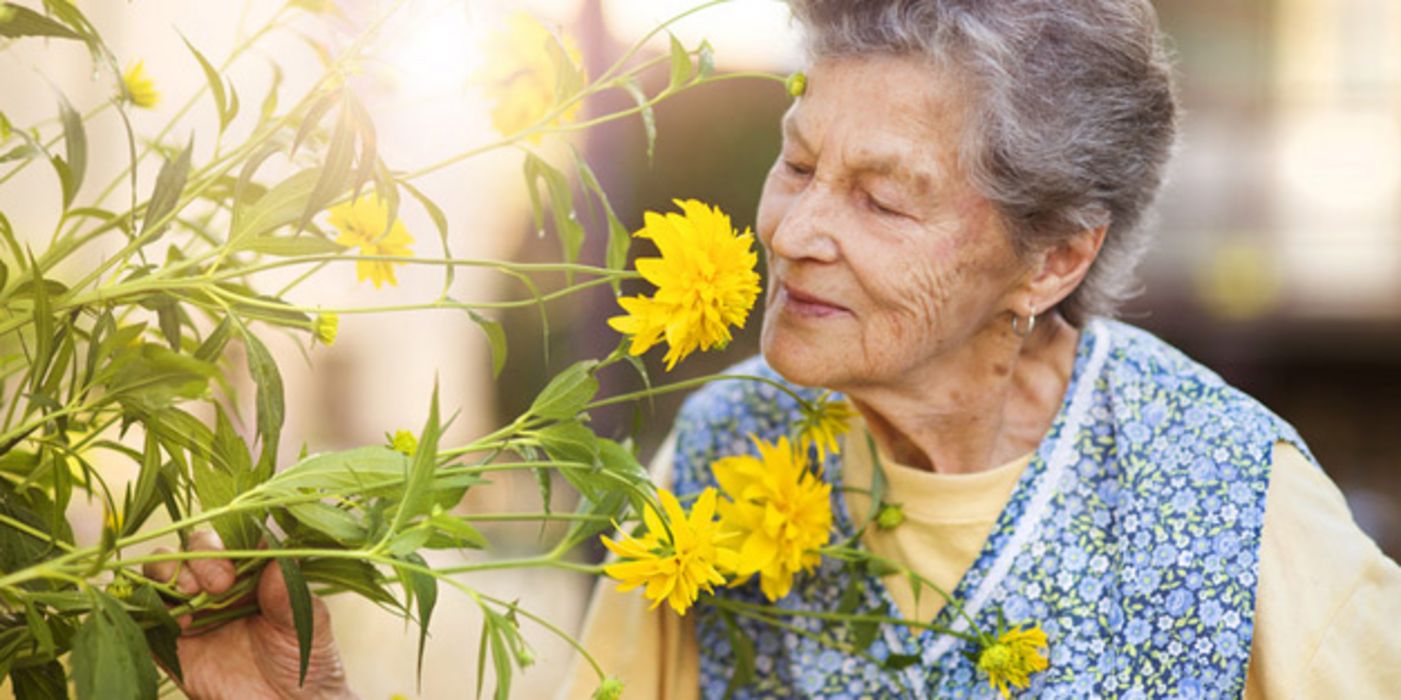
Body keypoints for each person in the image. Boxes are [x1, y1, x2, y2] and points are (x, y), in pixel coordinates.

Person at [158, 1, 1401, 697]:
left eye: (883, 198)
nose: (794, 230)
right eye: (798, 161)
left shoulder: (1231, 498)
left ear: (1054, 257)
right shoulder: (717, 450)